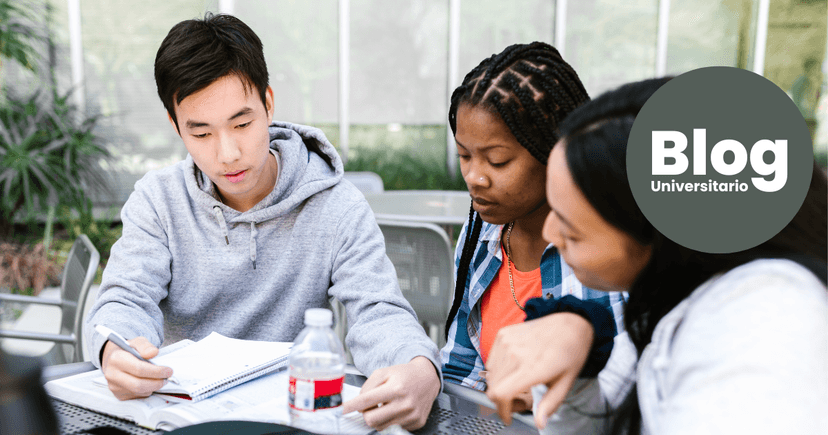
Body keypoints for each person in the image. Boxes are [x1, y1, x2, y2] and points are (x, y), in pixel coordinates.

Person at [83, 13, 440, 431]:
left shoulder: (335, 205)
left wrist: (419, 369)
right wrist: (115, 350)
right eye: (201, 134)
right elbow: (124, 300)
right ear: (175, 125)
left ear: (269, 104)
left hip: (292, 417)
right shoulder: (157, 200)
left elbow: (378, 311)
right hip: (180, 417)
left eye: (242, 123)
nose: (228, 153)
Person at [484, 77, 828, 434]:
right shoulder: (669, 298)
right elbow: (599, 423)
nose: (549, 234)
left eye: (572, 229)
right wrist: (580, 357)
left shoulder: (766, 321)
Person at [440, 40, 627, 411]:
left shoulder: (608, 247)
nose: (474, 177)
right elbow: (461, 366)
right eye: (464, 155)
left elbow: (626, 382)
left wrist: (547, 394)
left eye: (497, 160)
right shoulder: (483, 229)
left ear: (554, 150)